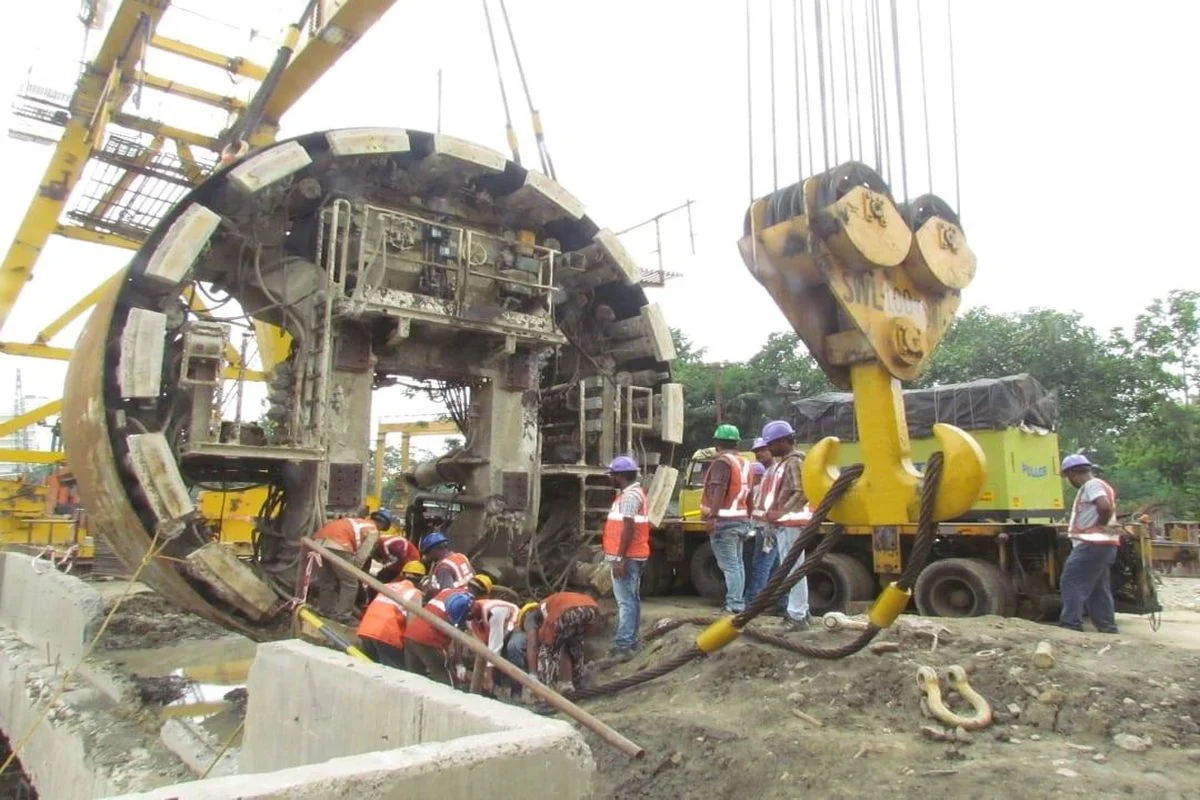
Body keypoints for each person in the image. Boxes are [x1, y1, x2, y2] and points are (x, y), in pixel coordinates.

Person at [760, 420, 815, 630]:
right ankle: (801, 611)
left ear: (784, 441)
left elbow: (801, 492)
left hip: (791, 523)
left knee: (793, 570)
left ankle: (797, 616)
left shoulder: (794, 462)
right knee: (793, 568)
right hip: (786, 523)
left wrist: (781, 512)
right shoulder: (786, 463)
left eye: (771, 443)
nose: (769, 448)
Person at [1058, 454, 1121, 634]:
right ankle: (1107, 627)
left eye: (1068, 477)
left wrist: (1098, 526)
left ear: (1073, 474)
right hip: (1103, 545)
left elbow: (1104, 507)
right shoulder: (1100, 485)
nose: (1069, 481)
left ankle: (1070, 624)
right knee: (1098, 588)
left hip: (1092, 544)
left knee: (1071, 580)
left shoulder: (1092, 485)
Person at [700, 424, 753, 613]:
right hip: (741, 519)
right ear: (737, 443)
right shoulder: (745, 462)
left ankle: (735, 604)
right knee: (737, 564)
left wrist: (712, 516)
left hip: (724, 522)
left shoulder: (722, 462)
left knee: (730, 566)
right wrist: (749, 515)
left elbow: (719, 488)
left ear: (717, 443)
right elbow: (750, 492)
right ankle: (737, 602)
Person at [602, 455, 651, 660]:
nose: (610, 478)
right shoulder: (634, 494)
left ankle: (623, 645)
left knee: (625, 602)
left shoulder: (630, 496)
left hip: (627, 557)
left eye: (612, 475)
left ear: (620, 476)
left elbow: (628, 528)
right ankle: (631, 642)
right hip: (634, 555)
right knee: (632, 599)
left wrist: (619, 559)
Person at [310, 509, 394, 617]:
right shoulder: (373, 530)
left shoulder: (356, 521)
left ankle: (324, 610)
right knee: (350, 583)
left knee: (327, 580)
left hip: (318, 542)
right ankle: (343, 615)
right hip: (339, 545)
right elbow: (362, 556)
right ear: (383, 525)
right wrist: (355, 571)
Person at [522, 592, 602, 694]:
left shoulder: (530, 615)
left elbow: (532, 644)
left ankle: (546, 690)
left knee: (547, 651)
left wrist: (532, 674)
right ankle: (575, 682)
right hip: (591, 609)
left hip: (566, 612)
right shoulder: (551, 603)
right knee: (571, 645)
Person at [357, 560, 426, 668]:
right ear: (421, 580)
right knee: (393, 671)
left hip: (366, 628)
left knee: (367, 667)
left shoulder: (387, 586)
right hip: (387, 634)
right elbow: (411, 626)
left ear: (402, 574)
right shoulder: (415, 593)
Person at [402, 589, 475, 684]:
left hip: (411, 633)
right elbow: (457, 636)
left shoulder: (447, 591)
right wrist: (459, 664)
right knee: (445, 682)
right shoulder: (464, 604)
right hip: (429, 640)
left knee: (413, 680)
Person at [467, 595, 520, 694]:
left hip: (513, 627)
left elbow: (494, 649)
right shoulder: (470, 611)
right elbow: (479, 639)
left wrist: (489, 678)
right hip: (495, 625)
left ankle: (508, 688)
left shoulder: (496, 613)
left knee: (511, 647)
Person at [745, 459, 780, 607]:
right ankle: (780, 602)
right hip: (772, 529)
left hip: (765, 530)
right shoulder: (768, 485)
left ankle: (753, 601)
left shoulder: (759, 489)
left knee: (761, 564)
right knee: (776, 566)